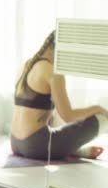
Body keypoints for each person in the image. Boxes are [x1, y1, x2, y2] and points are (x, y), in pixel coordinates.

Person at [11, 30, 108, 160]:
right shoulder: (52, 71)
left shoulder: (27, 65)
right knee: (100, 118)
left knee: (60, 129)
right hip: (36, 145)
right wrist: (97, 108)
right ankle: (69, 149)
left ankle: (73, 150)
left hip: (15, 142)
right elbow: (68, 116)